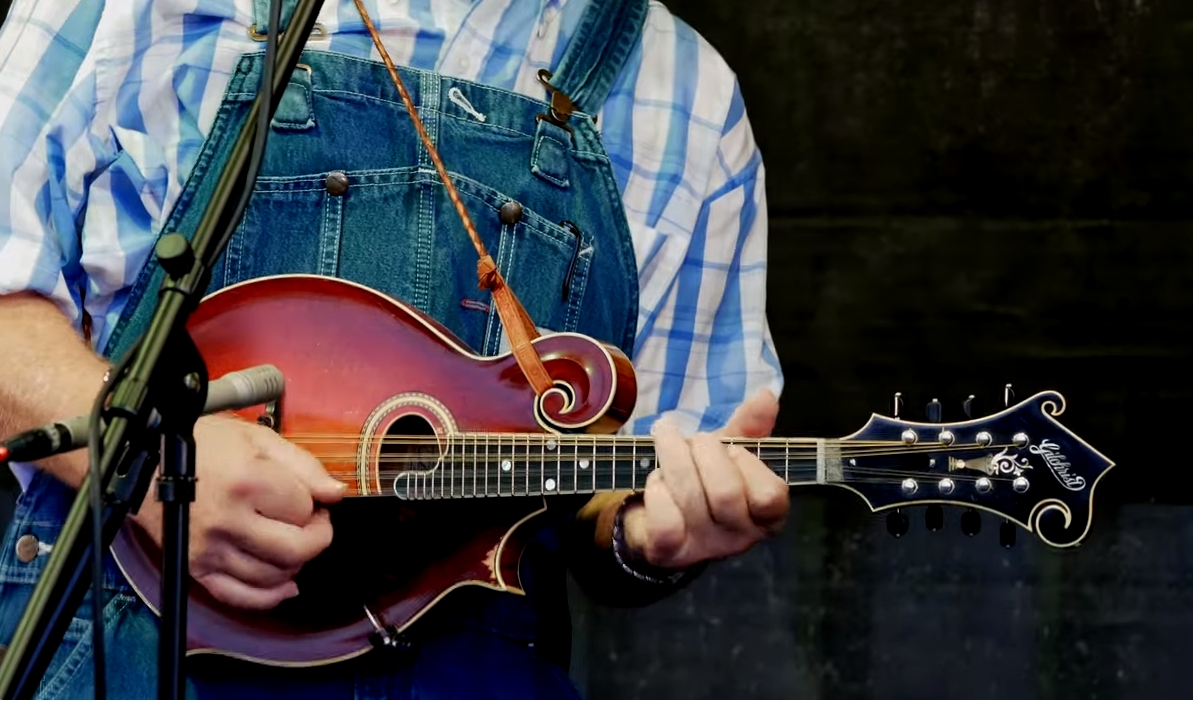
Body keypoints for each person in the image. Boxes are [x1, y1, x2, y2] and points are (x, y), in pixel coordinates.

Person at [0, 0, 788, 697]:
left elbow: (617, 494)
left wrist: (647, 538)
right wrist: (150, 468)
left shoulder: (689, 97)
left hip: (469, 673)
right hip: (133, 648)